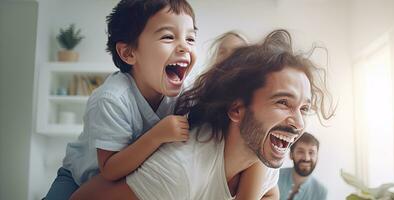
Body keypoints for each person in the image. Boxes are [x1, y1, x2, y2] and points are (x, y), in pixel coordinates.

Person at [70, 29, 335, 200]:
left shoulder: (264, 158)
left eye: (304, 108)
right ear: (236, 109)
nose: (299, 123)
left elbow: (269, 192)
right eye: (283, 102)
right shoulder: (180, 173)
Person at [44, 0, 197, 199]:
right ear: (128, 53)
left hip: (125, 183)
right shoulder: (111, 99)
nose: (184, 47)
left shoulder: (184, 95)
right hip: (78, 179)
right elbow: (109, 169)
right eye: (168, 37)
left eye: (191, 38)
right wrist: (157, 135)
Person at [278, 132, 327, 200]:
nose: (306, 158)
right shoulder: (275, 177)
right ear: (291, 155)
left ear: (317, 157)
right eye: (300, 151)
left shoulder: (321, 192)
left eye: (311, 152)